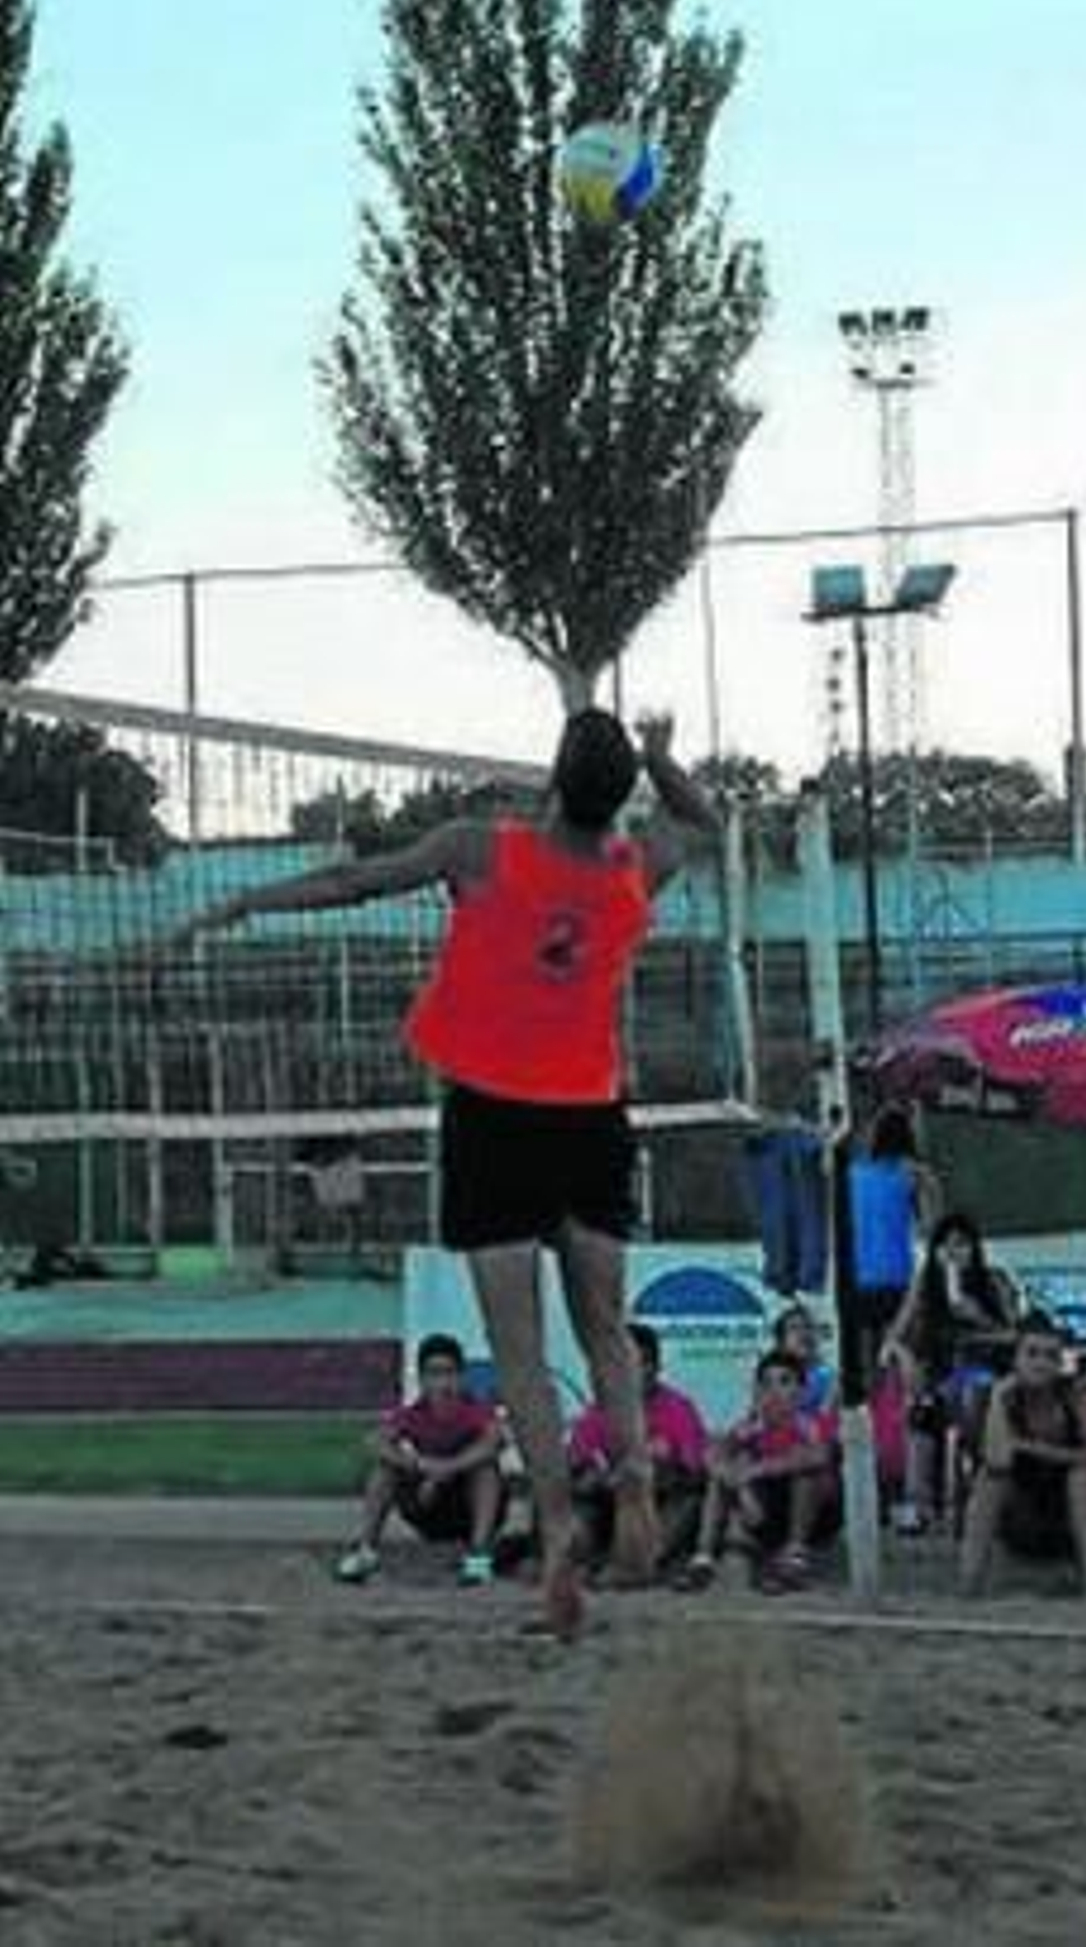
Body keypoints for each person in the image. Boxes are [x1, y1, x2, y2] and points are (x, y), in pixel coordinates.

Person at [175, 703, 718, 1640]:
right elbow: (702, 822)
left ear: (549, 780)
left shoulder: (481, 850)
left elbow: (357, 880)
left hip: (494, 1119)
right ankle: (632, 1482)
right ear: (617, 797)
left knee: (521, 1354)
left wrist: (247, 901)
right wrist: (665, 761)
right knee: (606, 1338)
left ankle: (554, 1527)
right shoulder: (638, 869)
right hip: (591, 1118)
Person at [882, 1210, 1022, 1531]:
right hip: (943, 1375)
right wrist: (904, 1356)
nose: (954, 1253)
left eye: (961, 1244)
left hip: (988, 1374)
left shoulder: (994, 1280)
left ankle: (979, 1487)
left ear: (975, 1248)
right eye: (945, 1246)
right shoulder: (925, 1283)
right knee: (922, 1410)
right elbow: (894, 1336)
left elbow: (1018, 1337)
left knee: (975, 1393)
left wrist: (980, 1317)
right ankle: (920, 1503)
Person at [959, 1311, 1086, 1596]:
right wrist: (997, 1399)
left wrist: (1030, 1447)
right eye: (1032, 1354)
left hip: (1074, 1510)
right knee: (988, 1481)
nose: (1041, 1363)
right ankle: (969, 1583)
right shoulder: (996, 1395)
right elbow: (997, 1459)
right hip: (1022, 1509)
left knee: (1082, 1478)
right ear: (1015, 1358)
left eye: (1051, 1356)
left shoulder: (1078, 1394)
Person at [337, 1331, 505, 1586]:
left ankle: (478, 1557)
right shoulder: (413, 1414)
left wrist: (447, 1468)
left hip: (467, 1509)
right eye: (434, 1374)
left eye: (449, 1373)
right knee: (384, 1469)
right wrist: (417, 1465)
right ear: (423, 1379)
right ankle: (365, 1551)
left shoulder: (476, 1410)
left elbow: (494, 1442)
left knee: (486, 1471)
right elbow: (374, 1441)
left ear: (461, 1377)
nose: (442, 1382)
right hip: (427, 1503)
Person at [681, 1349, 837, 1591]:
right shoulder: (750, 1427)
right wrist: (739, 1482)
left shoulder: (813, 1423)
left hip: (816, 1518)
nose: (774, 1391)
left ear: (801, 1391)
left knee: (806, 1473)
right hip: (762, 1513)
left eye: (784, 1382)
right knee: (723, 1471)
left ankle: (795, 1557)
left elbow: (818, 1455)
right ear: (757, 1391)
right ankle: (703, 1559)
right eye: (766, 1383)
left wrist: (757, 1470)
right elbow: (710, 1456)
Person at [568, 1321, 709, 1576]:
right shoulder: (596, 1412)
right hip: (608, 1507)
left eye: (636, 1365)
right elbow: (577, 1473)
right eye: (619, 1366)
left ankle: (641, 1561)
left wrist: (651, 1471)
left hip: (657, 1504)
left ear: (654, 1368)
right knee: (575, 1505)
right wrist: (598, 1479)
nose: (625, 1374)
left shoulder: (679, 1410)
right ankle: (585, 1559)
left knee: (689, 1501)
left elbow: (695, 1473)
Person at [848, 1103, 940, 1373]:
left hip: (857, 1277)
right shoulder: (917, 1176)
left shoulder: (852, 1173)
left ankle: (871, 1411)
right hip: (899, 1278)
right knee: (900, 1359)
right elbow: (932, 1229)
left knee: (866, 1369)